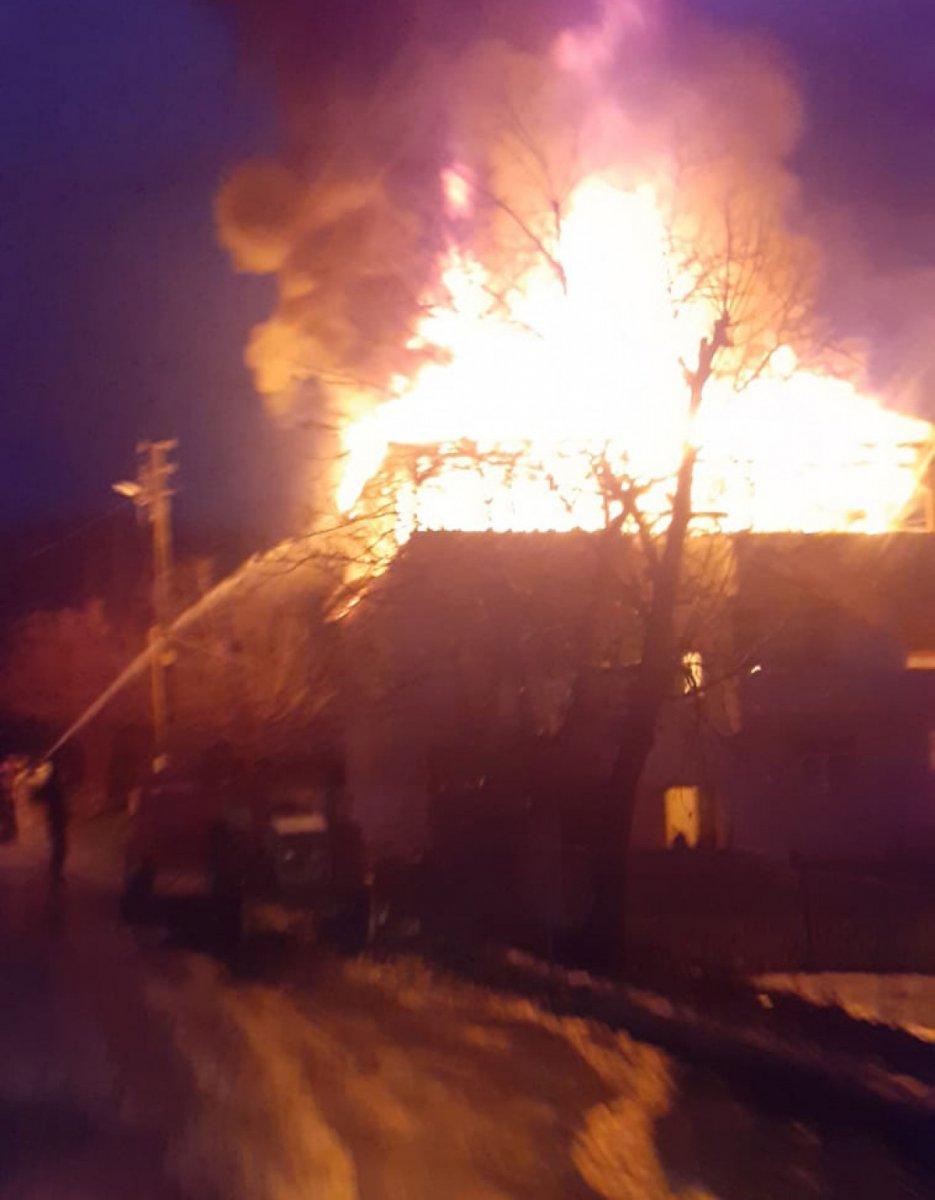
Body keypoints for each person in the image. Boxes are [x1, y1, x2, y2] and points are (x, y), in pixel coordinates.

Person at [22, 757, 68, 882]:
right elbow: (36, 797)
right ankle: (55, 873)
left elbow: (37, 797)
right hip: (55, 819)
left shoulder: (52, 783)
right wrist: (31, 781)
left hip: (57, 818)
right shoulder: (50, 784)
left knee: (59, 846)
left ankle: (56, 872)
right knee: (59, 846)